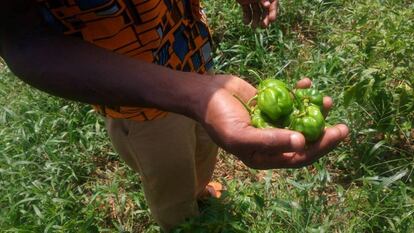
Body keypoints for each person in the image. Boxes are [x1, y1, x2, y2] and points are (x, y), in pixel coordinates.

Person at [0, 0, 348, 231]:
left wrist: (199, 94)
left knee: (202, 149)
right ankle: (180, 222)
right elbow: (22, 39)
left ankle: (199, 190)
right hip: (140, 107)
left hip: (194, 62)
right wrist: (195, 96)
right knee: (168, 179)